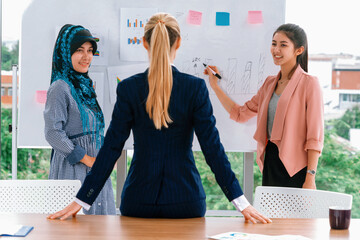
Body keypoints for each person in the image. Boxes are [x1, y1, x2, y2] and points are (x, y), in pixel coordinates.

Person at [48, 13, 271, 223]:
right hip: (186, 201)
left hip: (138, 201)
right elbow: (212, 149)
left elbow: (111, 148)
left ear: (144, 43)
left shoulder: (129, 88)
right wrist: (241, 202)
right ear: (179, 42)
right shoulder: (195, 88)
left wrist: (82, 199)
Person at [204, 23, 324, 189]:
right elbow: (240, 113)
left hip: (297, 169)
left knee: (296, 216)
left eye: (283, 45)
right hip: (271, 163)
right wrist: (215, 86)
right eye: (274, 44)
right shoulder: (269, 84)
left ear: (299, 50)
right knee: (271, 215)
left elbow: (314, 137)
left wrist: (310, 177)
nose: (276, 50)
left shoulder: (309, 84)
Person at [44, 24, 116, 215]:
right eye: (79, 50)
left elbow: (94, 131)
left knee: (99, 229)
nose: (86, 57)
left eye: (90, 51)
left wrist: (103, 158)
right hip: (74, 168)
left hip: (94, 167)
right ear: (65, 53)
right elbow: (53, 133)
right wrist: (88, 159)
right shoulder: (60, 87)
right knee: (73, 229)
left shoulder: (85, 86)